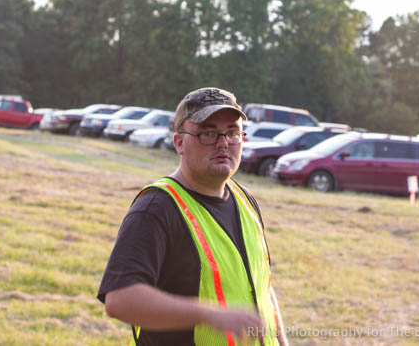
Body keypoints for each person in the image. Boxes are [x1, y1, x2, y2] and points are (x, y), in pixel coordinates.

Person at [98, 87, 288, 346]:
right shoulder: (156, 208)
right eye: (208, 133)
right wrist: (208, 314)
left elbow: (262, 286)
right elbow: (120, 300)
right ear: (179, 143)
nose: (223, 142)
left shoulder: (245, 200)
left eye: (232, 132)